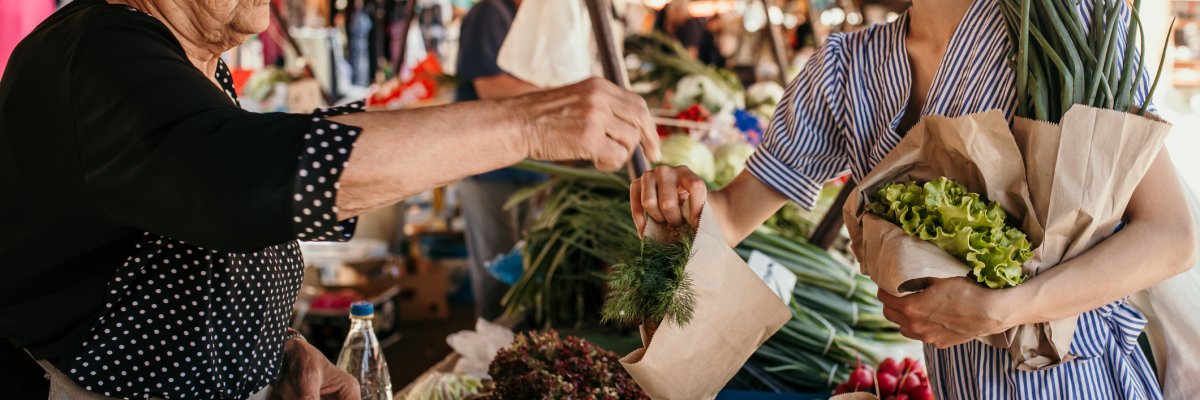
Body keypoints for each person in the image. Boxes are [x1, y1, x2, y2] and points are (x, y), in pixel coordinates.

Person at [0, 0, 659, 398]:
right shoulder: (99, 52)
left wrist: (276, 354)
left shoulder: (189, 65)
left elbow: (181, 244)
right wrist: (527, 123)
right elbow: (240, 181)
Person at [630, 0, 1196, 398]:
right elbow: (729, 214)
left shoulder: (1069, 27)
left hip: (1081, 382)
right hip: (955, 385)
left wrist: (1005, 308)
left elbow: (1170, 236)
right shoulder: (845, 71)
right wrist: (681, 200)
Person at [452, 0, 548, 321]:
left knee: (517, 268)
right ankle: (493, 354)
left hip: (525, 168)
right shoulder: (489, 12)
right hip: (489, 168)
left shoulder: (522, 18)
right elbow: (490, 86)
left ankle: (513, 346)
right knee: (497, 273)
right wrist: (563, 93)